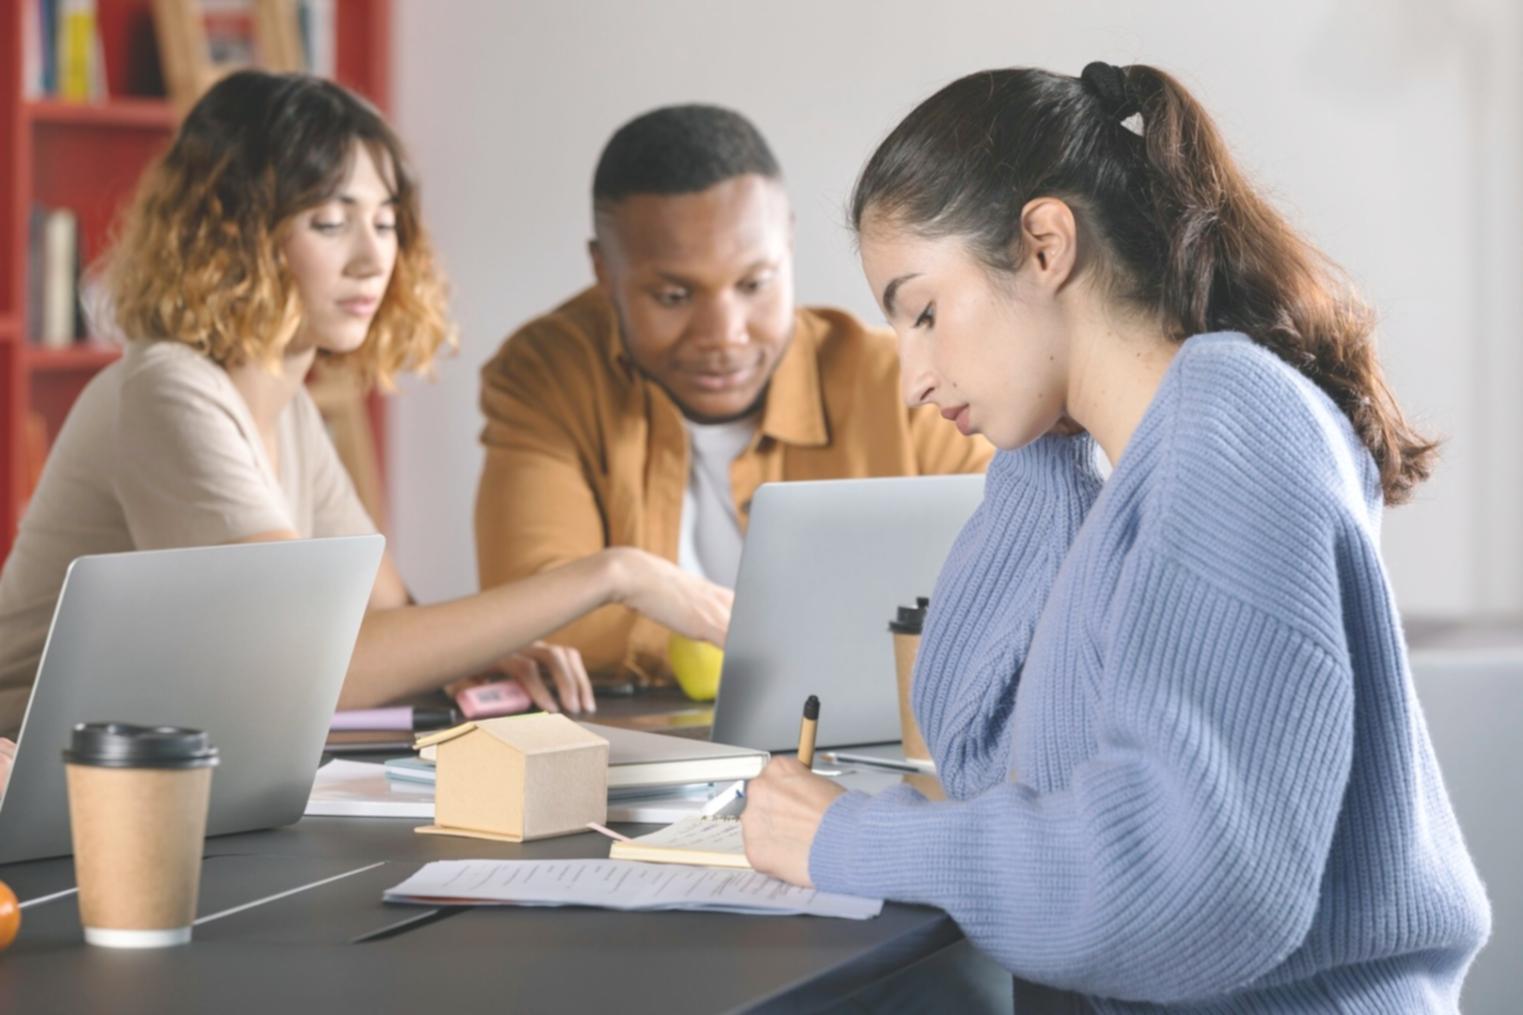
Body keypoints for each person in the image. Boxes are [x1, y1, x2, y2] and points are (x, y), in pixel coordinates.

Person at [741, 62, 1491, 1009]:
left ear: (1045, 245)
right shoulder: (1123, 463)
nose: (914, 380)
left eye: (925, 312)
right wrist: (1041, 452)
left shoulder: (1230, 423)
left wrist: (847, 839)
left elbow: (1187, 886)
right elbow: (980, 759)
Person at [0, 71, 733, 785]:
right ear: (230, 234)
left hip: (150, 780)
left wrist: (466, 657)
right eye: (329, 221)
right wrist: (617, 572)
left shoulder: (287, 409)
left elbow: (386, 622)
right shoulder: (168, 391)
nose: (371, 256)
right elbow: (317, 666)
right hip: (38, 791)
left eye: (384, 221)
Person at [475, 105, 991, 686]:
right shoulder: (548, 373)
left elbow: (1011, 588)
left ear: (787, 243)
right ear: (604, 272)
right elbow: (526, 612)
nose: (724, 333)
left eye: (754, 284)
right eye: (673, 296)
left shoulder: (901, 384)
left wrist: (684, 633)